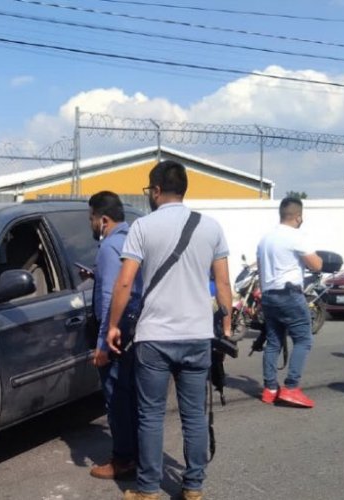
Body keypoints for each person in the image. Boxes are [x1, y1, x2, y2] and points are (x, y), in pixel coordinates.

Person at [107, 160, 232, 500]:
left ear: (157, 190)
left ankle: (148, 489)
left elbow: (124, 282)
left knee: (150, 415)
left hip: (154, 338)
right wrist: (226, 324)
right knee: (194, 415)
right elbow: (222, 283)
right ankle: (193, 487)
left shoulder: (142, 228)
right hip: (196, 335)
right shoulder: (211, 227)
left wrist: (114, 326)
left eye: (150, 191)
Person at [87, 191, 142, 481]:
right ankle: (137, 454)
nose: (92, 223)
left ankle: (122, 460)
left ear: (103, 219)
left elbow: (110, 298)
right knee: (132, 397)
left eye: (92, 218)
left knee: (116, 399)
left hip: (116, 332)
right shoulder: (132, 239)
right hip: (135, 328)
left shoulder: (108, 247)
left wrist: (101, 345)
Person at [256, 197, 323, 408]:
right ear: (298, 216)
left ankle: (270, 389)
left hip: (268, 295)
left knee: (274, 342)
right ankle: (291, 387)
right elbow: (316, 265)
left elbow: (260, 268)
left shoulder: (265, 239)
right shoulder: (296, 236)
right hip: (289, 295)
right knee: (303, 339)